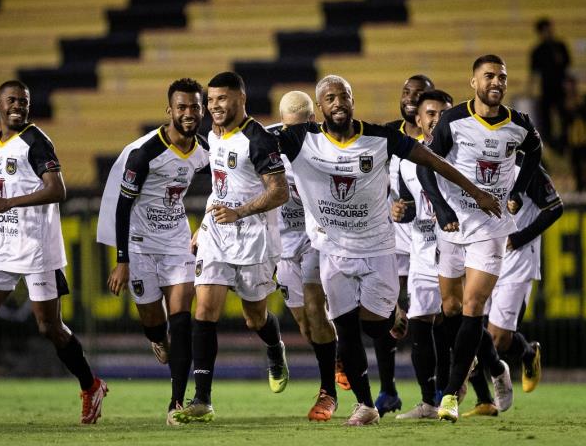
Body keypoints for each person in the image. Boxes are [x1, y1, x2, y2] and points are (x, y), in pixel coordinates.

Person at [276, 75, 501, 426]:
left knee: (378, 328)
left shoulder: (379, 137)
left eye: (344, 97)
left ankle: (394, 315)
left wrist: (477, 192)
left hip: (379, 248)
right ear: (320, 108)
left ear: (353, 101)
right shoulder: (302, 139)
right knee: (345, 328)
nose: (338, 103)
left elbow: (433, 162)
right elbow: (252, 142)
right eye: (330, 99)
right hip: (334, 251)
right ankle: (365, 404)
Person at [0, 80, 107, 425]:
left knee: (48, 326)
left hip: (36, 245)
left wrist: (9, 202)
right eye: (12, 100)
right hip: (3, 242)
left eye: (24, 101)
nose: (18, 105)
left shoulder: (36, 141)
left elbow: (57, 189)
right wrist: (6, 208)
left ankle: (91, 385)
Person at [417, 54, 543, 422]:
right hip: (454, 227)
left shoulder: (519, 124)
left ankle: (452, 395)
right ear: (473, 82)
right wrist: (441, 209)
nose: (496, 82)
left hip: (492, 226)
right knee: (451, 308)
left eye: (502, 77)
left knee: (473, 307)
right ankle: (499, 369)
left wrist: (518, 189)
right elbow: (426, 163)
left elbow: (535, 151)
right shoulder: (454, 120)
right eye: (489, 76)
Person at [173, 72, 290, 423]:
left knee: (255, 317)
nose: (213, 107)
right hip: (217, 235)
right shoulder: (213, 134)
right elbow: (222, 185)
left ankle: (274, 347)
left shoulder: (259, 139)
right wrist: (207, 221)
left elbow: (279, 192)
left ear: (241, 98)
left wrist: (237, 212)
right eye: (210, 101)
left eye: (221, 99)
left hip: (254, 240)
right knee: (204, 309)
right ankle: (203, 400)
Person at [96, 78, 210, 425]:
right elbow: (121, 206)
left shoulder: (205, 150)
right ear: (169, 111)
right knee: (155, 325)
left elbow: (227, 180)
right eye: (182, 107)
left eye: (194, 107)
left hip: (176, 243)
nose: (188, 113)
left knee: (182, 320)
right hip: (141, 246)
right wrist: (121, 260)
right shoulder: (145, 154)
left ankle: (176, 401)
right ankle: (157, 339)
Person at [464, 156, 563, 417]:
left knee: (497, 338)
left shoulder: (525, 167)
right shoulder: (471, 159)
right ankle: (484, 400)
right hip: (481, 253)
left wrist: (518, 238)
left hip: (517, 259)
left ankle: (528, 353)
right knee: (468, 325)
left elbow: (555, 208)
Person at [266, 91, 339, 422]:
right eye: (287, 126)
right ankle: (334, 356)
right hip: (282, 243)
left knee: (314, 306)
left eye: (300, 126)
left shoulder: (327, 143)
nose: (292, 132)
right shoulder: (264, 141)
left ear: (313, 120)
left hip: (316, 237)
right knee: (306, 326)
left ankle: (328, 392)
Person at [374, 74, 435, 417]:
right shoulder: (387, 134)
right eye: (406, 92)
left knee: (435, 318)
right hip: (395, 238)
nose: (411, 98)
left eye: (420, 93)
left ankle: (448, 387)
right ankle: (388, 390)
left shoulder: (442, 138)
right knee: (386, 313)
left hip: (432, 238)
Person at [391, 89, 454, 420]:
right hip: (422, 253)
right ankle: (430, 402)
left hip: (457, 253)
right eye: (431, 113)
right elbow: (410, 206)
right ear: (417, 119)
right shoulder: (405, 160)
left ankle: (454, 392)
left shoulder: (462, 157)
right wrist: (401, 211)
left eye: (444, 113)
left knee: (455, 327)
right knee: (419, 328)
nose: (437, 119)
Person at [529, 17, 571, 149]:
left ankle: (565, 139)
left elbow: (567, 65)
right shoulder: (537, 51)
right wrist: (531, 90)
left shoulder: (560, 46)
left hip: (560, 87)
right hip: (546, 88)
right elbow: (534, 72)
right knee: (546, 118)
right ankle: (550, 142)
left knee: (564, 115)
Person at [562, 74, 586, 190]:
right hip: (573, 141)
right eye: (567, 85)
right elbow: (564, 122)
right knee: (577, 169)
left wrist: (577, 108)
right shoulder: (563, 102)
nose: (569, 88)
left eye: (571, 84)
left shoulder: (585, 98)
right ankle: (581, 190)